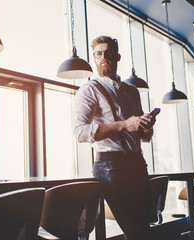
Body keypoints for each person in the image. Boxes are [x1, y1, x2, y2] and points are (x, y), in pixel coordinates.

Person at [73, 35, 157, 240]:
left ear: (117, 56)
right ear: (94, 59)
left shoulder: (131, 90)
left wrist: (146, 128)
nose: (104, 57)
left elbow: (143, 135)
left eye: (108, 53)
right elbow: (80, 132)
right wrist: (122, 125)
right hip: (111, 166)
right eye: (98, 54)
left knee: (143, 231)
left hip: (137, 162)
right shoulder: (89, 90)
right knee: (136, 232)